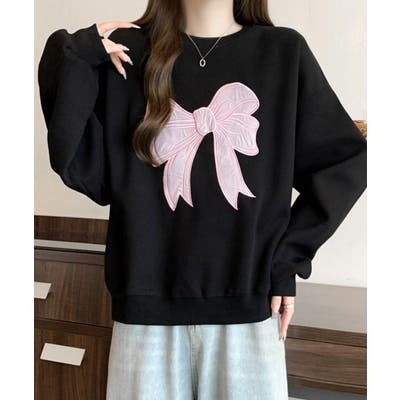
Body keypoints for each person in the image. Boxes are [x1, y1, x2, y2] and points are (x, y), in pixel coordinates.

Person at [37, 0, 367, 398]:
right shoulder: (129, 53)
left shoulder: (282, 53)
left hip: (249, 312)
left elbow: (345, 162)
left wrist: (288, 259)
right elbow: (84, 169)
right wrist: (76, 54)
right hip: (145, 319)